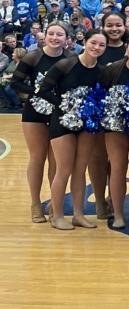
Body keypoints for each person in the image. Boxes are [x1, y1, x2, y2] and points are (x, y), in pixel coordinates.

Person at [37, 28, 107, 230]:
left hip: (86, 124)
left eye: (101, 45)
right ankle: (57, 215)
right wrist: (66, 106)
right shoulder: (65, 64)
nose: (97, 47)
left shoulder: (100, 71)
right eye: (94, 43)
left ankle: (78, 214)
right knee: (64, 169)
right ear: (84, 42)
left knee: (80, 169)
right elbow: (44, 90)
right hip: (62, 122)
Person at [11, 22, 73, 222]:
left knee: (57, 161)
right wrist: (39, 92)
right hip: (34, 112)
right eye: (51, 34)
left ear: (67, 38)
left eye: (59, 34)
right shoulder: (34, 56)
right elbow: (15, 83)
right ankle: (35, 204)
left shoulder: (71, 58)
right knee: (37, 157)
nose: (55, 38)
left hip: (60, 113)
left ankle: (55, 204)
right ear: (44, 36)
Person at [99, 34, 129, 229]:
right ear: (126, 47)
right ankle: (118, 213)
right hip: (115, 125)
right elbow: (101, 96)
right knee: (118, 167)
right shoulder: (112, 70)